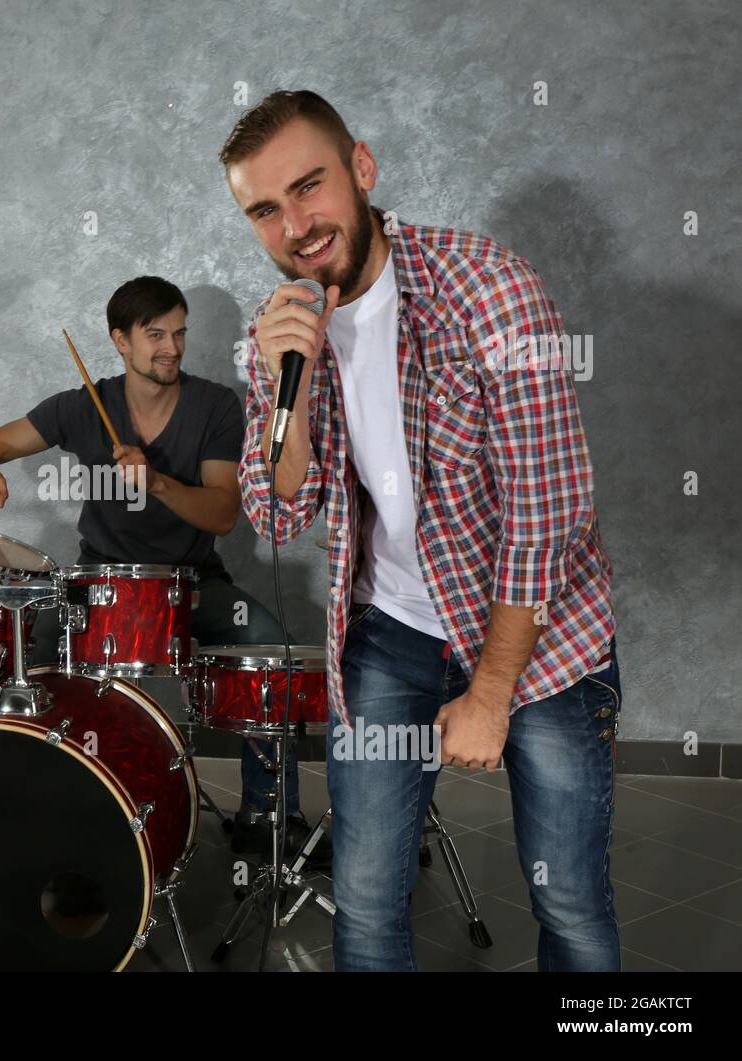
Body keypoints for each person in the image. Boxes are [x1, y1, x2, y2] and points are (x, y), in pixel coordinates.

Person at [224, 90, 620, 970]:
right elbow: (279, 507)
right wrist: (289, 377)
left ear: (362, 171)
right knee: (364, 897)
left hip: (539, 640)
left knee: (570, 901)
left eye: (309, 186)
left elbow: (546, 514)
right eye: (264, 208)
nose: (295, 223)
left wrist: (489, 693)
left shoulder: (489, 288)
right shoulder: (279, 333)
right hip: (392, 634)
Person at [0, 276, 325, 856]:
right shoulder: (82, 406)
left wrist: (155, 481)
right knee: (29, 658)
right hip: (99, 583)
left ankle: (267, 816)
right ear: (120, 341)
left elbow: (225, 512)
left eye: (179, 333)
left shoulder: (215, 405)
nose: (171, 348)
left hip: (192, 585)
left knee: (270, 652)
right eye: (155, 335)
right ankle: (39, 808)